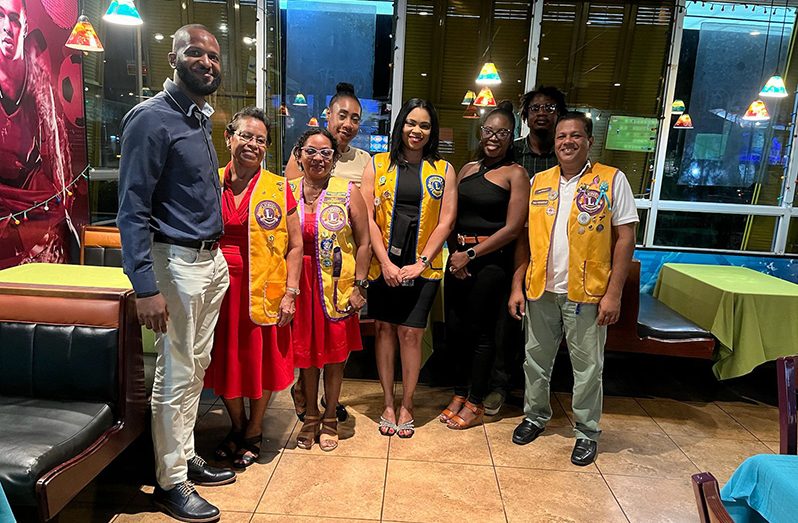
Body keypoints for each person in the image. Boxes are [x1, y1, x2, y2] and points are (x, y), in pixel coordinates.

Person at [117, 24, 235, 523]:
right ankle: (171, 483)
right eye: (195, 52)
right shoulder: (151, 118)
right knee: (175, 375)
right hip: (175, 264)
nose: (206, 61)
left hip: (209, 262)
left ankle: (183, 455)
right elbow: (132, 209)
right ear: (173, 58)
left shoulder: (198, 119)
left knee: (195, 369)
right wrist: (145, 285)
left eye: (213, 55)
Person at [508, 111, 638, 466]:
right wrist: (517, 285)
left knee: (588, 368)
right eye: (562, 136)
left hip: (589, 293)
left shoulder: (612, 180)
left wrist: (614, 293)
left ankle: (586, 432)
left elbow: (625, 238)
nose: (567, 141)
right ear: (554, 142)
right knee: (535, 360)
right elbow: (524, 237)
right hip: (541, 290)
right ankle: (535, 416)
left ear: (589, 141)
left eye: (575, 136)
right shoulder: (539, 182)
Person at [204, 107, 303, 469]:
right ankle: (237, 425)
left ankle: (255, 430)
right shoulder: (209, 181)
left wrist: (291, 292)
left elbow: (295, 245)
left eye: (261, 140)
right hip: (215, 289)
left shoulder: (278, 187)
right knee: (224, 358)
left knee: (259, 362)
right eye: (246, 135)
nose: (253, 144)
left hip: (264, 288)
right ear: (228, 138)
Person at [361, 98, 457, 438]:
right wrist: (385, 262)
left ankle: (408, 403)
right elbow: (367, 218)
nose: (416, 131)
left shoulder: (443, 170)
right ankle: (388, 401)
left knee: (412, 333)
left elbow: (446, 221)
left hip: (423, 267)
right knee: (385, 331)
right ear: (400, 125)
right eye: (411, 123)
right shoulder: (378, 164)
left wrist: (422, 263)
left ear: (431, 132)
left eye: (424, 125)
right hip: (382, 266)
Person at [440, 101, 529, 430]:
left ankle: (476, 401)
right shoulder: (467, 169)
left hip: (490, 265)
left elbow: (513, 228)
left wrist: (472, 255)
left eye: (502, 132)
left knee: (481, 335)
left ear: (512, 137)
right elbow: (451, 218)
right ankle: (459, 393)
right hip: (458, 261)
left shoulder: (516, 174)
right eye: (489, 130)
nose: (493, 137)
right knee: (455, 331)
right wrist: (454, 255)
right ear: (481, 133)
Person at [286, 82, 370, 423]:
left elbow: (364, 238)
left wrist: (360, 285)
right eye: (311, 152)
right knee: (305, 354)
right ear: (300, 155)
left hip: (338, 280)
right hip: (300, 282)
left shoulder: (350, 188)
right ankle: (309, 413)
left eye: (325, 153)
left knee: (335, 353)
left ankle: (330, 415)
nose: (318, 157)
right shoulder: (287, 190)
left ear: (333, 160)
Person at [483, 85, 567, 417]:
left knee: (543, 329)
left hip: (554, 254)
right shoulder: (512, 154)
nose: (542, 113)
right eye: (535, 108)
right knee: (505, 323)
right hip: (509, 249)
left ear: (559, 114)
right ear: (525, 117)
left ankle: (537, 393)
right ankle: (499, 386)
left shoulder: (566, 155)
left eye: (549, 108)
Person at [0, 0, 76, 268]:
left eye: (14, 19)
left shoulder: (40, 80)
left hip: (37, 207)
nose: (7, 28)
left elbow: (57, 155)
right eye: (0, 17)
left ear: (25, 26)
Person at [286, 82, 370, 185]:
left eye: (355, 119)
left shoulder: (364, 159)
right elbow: (291, 194)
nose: (348, 124)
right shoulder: (306, 152)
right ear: (328, 114)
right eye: (342, 116)